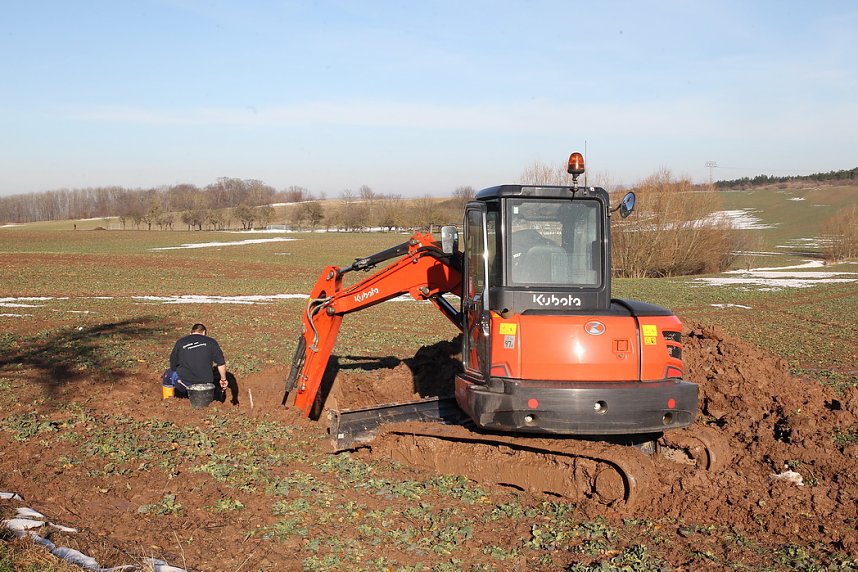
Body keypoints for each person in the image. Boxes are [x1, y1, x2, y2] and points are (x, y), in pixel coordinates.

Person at [168, 323, 228, 393]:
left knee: (168, 375)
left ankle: (169, 398)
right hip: (205, 386)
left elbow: (173, 363)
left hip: (184, 383)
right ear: (204, 332)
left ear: (191, 333)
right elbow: (221, 363)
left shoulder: (180, 342)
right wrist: (223, 380)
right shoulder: (211, 342)